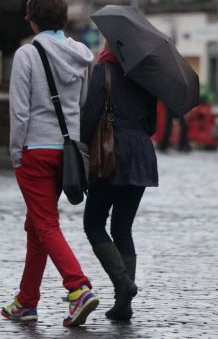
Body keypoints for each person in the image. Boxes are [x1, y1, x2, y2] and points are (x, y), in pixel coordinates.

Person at [2, 0, 99, 327]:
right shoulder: (81, 55)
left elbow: (20, 110)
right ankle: (26, 301)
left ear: (32, 19)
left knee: (45, 224)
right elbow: (82, 103)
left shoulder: (27, 55)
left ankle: (78, 289)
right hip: (67, 152)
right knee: (36, 226)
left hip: (36, 151)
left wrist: (16, 153)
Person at [81, 44, 158, 323]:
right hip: (141, 153)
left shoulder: (104, 69)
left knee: (93, 223)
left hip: (111, 152)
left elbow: (90, 115)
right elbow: (152, 125)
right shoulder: (146, 75)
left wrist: (82, 143)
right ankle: (123, 304)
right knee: (123, 227)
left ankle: (122, 284)